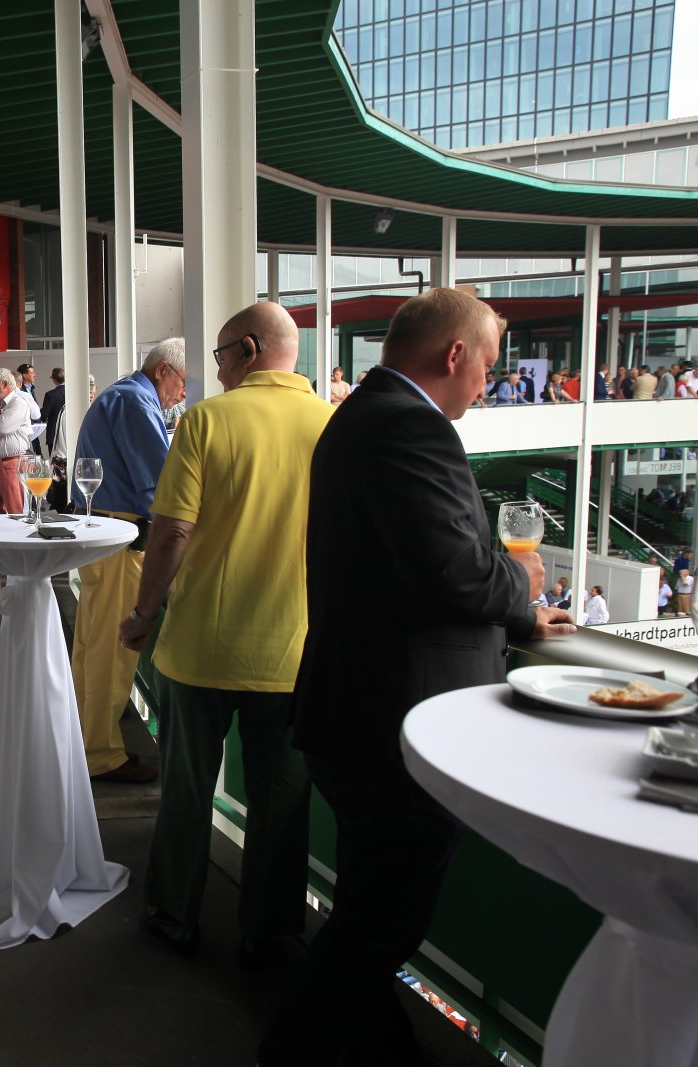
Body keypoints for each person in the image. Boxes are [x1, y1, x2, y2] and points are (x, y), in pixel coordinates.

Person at [259, 287, 574, 1067]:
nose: (488, 384)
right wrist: (524, 583)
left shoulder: (364, 416)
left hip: (362, 714)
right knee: (379, 924)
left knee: (372, 911)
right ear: (454, 354)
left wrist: (518, 615)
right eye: (488, 366)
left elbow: (403, 568)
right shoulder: (409, 425)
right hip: (395, 728)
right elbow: (451, 569)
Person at [117, 302, 333, 966]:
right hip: (293, 652)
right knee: (282, 798)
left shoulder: (206, 421)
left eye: (219, 356)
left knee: (187, 787)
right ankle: (268, 931)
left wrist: (144, 614)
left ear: (248, 350)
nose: (215, 372)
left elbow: (173, 530)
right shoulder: (332, 424)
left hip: (200, 647)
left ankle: (174, 911)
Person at [71, 338, 184, 785]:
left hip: (105, 532)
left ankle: (82, 739)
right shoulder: (136, 402)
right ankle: (98, 754)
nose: (183, 393)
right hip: (122, 537)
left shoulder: (122, 394)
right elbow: (162, 483)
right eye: (183, 382)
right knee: (111, 651)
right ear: (163, 370)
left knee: (92, 646)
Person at [0, 368, 31, 522]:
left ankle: (18, 537)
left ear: (4, 384)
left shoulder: (18, 403)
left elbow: (1, 428)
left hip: (11, 463)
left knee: (15, 512)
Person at [40, 368, 67, 460]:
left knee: (55, 462)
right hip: (69, 431)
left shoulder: (50, 395)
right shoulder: (72, 393)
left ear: (54, 380)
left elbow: (44, 414)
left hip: (54, 432)